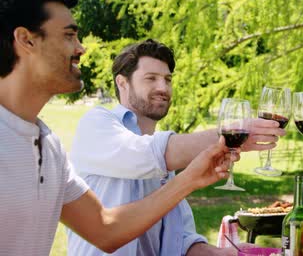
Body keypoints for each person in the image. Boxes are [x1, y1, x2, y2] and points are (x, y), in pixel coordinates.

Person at [0, 0, 233, 256]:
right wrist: (238, 131)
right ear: (26, 40)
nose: (81, 48)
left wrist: (190, 179)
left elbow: (105, 228)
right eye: (69, 36)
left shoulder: (50, 149)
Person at [67, 39, 285, 256]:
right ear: (122, 83)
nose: (163, 88)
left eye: (167, 79)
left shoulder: (165, 159)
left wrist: (222, 253)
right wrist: (231, 134)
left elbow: (179, 240)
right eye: (151, 78)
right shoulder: (97, 124)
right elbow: (145, 154)